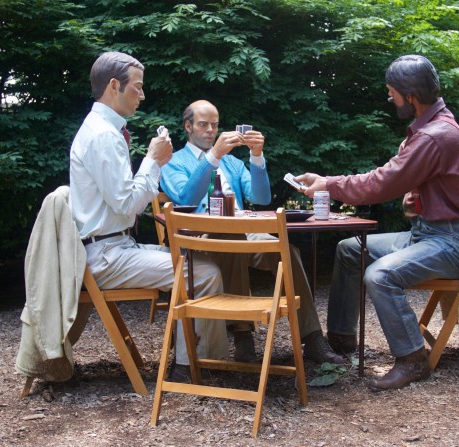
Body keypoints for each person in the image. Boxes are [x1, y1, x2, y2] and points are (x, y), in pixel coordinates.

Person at [295, 55, 459, 390]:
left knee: (379, 275)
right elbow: (393, 176)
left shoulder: (434, 135)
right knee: (349, 249)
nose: (390, 99)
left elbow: (382, 182)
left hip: (449, 242)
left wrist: (329, 184)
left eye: (392, 92)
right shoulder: (429, 127)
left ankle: (412, 359)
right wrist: (329, 181)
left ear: (410, 96)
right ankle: (341, 340)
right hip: (427, 234)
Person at [69, 52, 229, 378]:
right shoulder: (102, 135)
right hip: (106, 256)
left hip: (110, 247)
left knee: (196, 261)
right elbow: (127, 205)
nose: (142, 96)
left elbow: (121, 202)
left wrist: (152, 162)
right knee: (204, 272)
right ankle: (194, 367)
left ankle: (192, 359)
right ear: (115, 86)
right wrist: (153, 161)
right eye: (137, 88)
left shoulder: (102, 129)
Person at [160, 99, 343, 365]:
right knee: (230, 236)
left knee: (286, 251)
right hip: (197, 239)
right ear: (188, 126)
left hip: (242, 232)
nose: (210, 130)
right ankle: (242, 332)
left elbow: (261, 196)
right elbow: (185, 197)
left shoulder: (233, 164)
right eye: (203, 124)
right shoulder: (174, 162)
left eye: (214, 124)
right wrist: (214, 157)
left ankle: (312, 336)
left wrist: (256, 155)